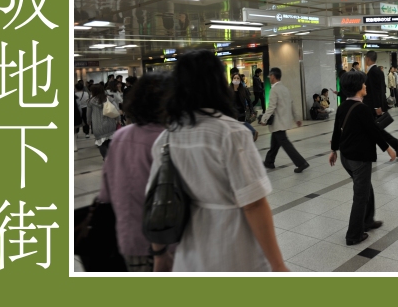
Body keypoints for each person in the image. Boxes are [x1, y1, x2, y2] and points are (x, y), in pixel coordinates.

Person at [146, 50, 288, 272]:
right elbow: (254, 203)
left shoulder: (166, 138)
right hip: (233, 248)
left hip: (190, 253)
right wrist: (278, 265)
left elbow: (157, 201)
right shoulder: (232, 133)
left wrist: (159, 255)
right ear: (216, 83)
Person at [97, 72, 168, 272]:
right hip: (167, 242)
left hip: (129, 238)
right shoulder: (169, 138)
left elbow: (105, 193)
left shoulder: (120, 137)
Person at [329, 71, 396, 245]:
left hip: (346, 157)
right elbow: (374, 132)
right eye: (364, 84)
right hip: (359, 159)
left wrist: (333, 150)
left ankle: (368, 220)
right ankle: (354, 235)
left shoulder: (343, 106)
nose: (366, 86)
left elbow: (337, 129)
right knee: (360, 196)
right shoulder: (363, 109)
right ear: (358, 88)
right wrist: (388, 148)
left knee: (365, 187)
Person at [259, 67, 309, 173]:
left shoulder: (274, 90)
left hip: (278, 123)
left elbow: (271, 107)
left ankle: (301, 163)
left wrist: (264, 119)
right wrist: (297, 118)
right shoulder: (285, 89)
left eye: (270, 76)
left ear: (273, 76)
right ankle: (269, 162)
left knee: (285, 144)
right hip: (283, 122)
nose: (269, 78)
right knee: (275, 142)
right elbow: (292, 104)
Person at [363, 51, 398, 156]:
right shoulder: (378, 71)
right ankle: (392, 143)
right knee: (374, 129)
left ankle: (392, 143)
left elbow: (375, 91)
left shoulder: (373, 72)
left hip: (372, 106)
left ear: (367, 59)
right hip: (373, 105)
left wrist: (377, 106)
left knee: (374, 129)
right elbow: (382, 89)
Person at [86, 84, 119, 159]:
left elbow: (88, 115)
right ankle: (112, 157)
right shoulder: (109, 98)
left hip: (98, 126)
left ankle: (106, 158)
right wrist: (118, 120)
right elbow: (116, 110)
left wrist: (88, 122)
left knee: (101, 144)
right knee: (110, 142)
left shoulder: (90, 102)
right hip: (110, 124)